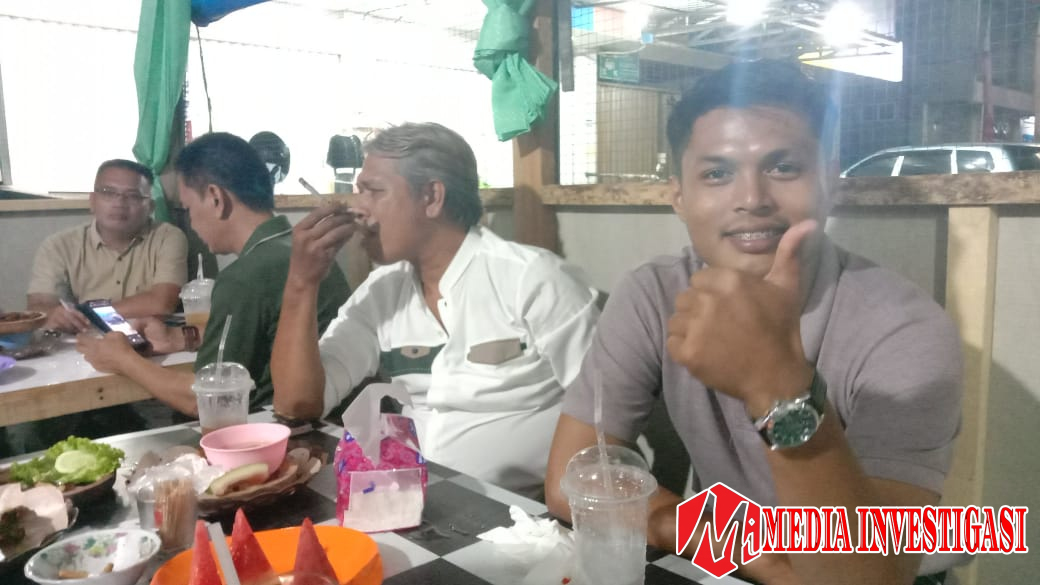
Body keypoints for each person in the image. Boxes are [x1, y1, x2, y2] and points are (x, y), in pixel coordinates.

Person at [544, 60, 963, 585]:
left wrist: (778, 386)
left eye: (783, 167)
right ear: (679, 197)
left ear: (830, 181)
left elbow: (869, 577)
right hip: (732, 565)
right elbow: (570, 480)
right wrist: (763, 557)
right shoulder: (653, 295)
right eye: (717, 174)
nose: (752, 200)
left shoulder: (905, 332)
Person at [270, 122, 599, 496]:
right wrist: (301, 283)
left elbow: (606, 414)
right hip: (409, 499)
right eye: (359, 192)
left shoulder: (532, 280)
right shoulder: (381, 292)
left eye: (374, 191)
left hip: (525, 511)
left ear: (431, 197)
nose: (358, 208)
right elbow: (297, 404)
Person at [77, 132, 351, 416]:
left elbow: (207, 401)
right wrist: (179, 338)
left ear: (216, 198)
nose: (192, 222)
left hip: (280, 427)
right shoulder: (306, 254)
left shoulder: (243, 277)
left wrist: (123, 360)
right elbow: (262, 335)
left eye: (189, 208)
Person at [27, 159, 188, 332]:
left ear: (150, 207)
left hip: (149, 339)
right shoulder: (58, 246)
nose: (119, 203)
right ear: (92, 201)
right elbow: (39, 306)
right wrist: (54, 314)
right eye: (108, 193)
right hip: (82, 340)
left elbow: (162, 303)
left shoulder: (167, 237)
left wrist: (86, 314)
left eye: (133, 195)